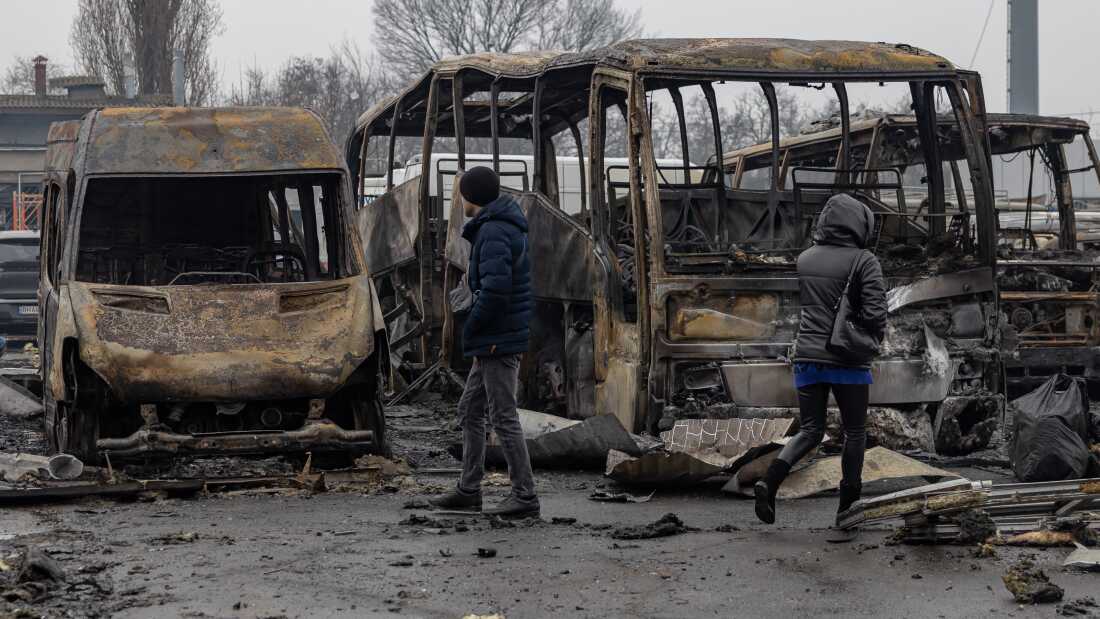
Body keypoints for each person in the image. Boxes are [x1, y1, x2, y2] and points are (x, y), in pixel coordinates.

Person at [753, 193, 887, 532]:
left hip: (808, 357)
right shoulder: (864, 260)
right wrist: (874, 335)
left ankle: (769, 482)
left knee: (811, 430)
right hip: (847, 360)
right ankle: (848, 507)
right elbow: (874, 314)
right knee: (854, 432)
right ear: (859, 224)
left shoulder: (806, 258)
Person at [429, 166, 539, 518]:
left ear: (471, 196)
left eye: (461, 193)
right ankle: (468, 489)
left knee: (503, 416)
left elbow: (494, 291)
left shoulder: (492, 231)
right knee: (470, 410)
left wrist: (471, 328)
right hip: (495, 338)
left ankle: (525, 496)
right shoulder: (496, 227)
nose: (459, 200)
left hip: (496, 339)